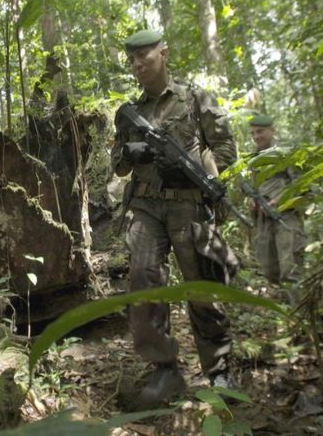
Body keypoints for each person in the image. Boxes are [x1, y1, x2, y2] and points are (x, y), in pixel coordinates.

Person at [110, 29, 240, 409]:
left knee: (202, 282)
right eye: (132, 59)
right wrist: (132, 154)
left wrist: (198, 171)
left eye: (144, 57)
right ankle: (164, 368)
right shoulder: (130, 113)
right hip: (147, 207)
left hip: (189, 205)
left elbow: (227, 147)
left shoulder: (195, 98)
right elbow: (118, 165)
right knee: (144, 280)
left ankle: (218, 370)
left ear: (163, 53)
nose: (137, 65)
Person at [247, 114, 305, 289]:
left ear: (272, 130)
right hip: (263, 220)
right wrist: (251, 199)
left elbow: (301, 184)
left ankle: (299, 312)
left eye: (260, 131)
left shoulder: (286, 151)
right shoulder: (255, 158)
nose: (257, 136)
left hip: (286, 217)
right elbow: (255, 185)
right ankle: (281, 310)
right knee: (268, 269)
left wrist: (278, 201)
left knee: (290, 269)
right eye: (253, 133)